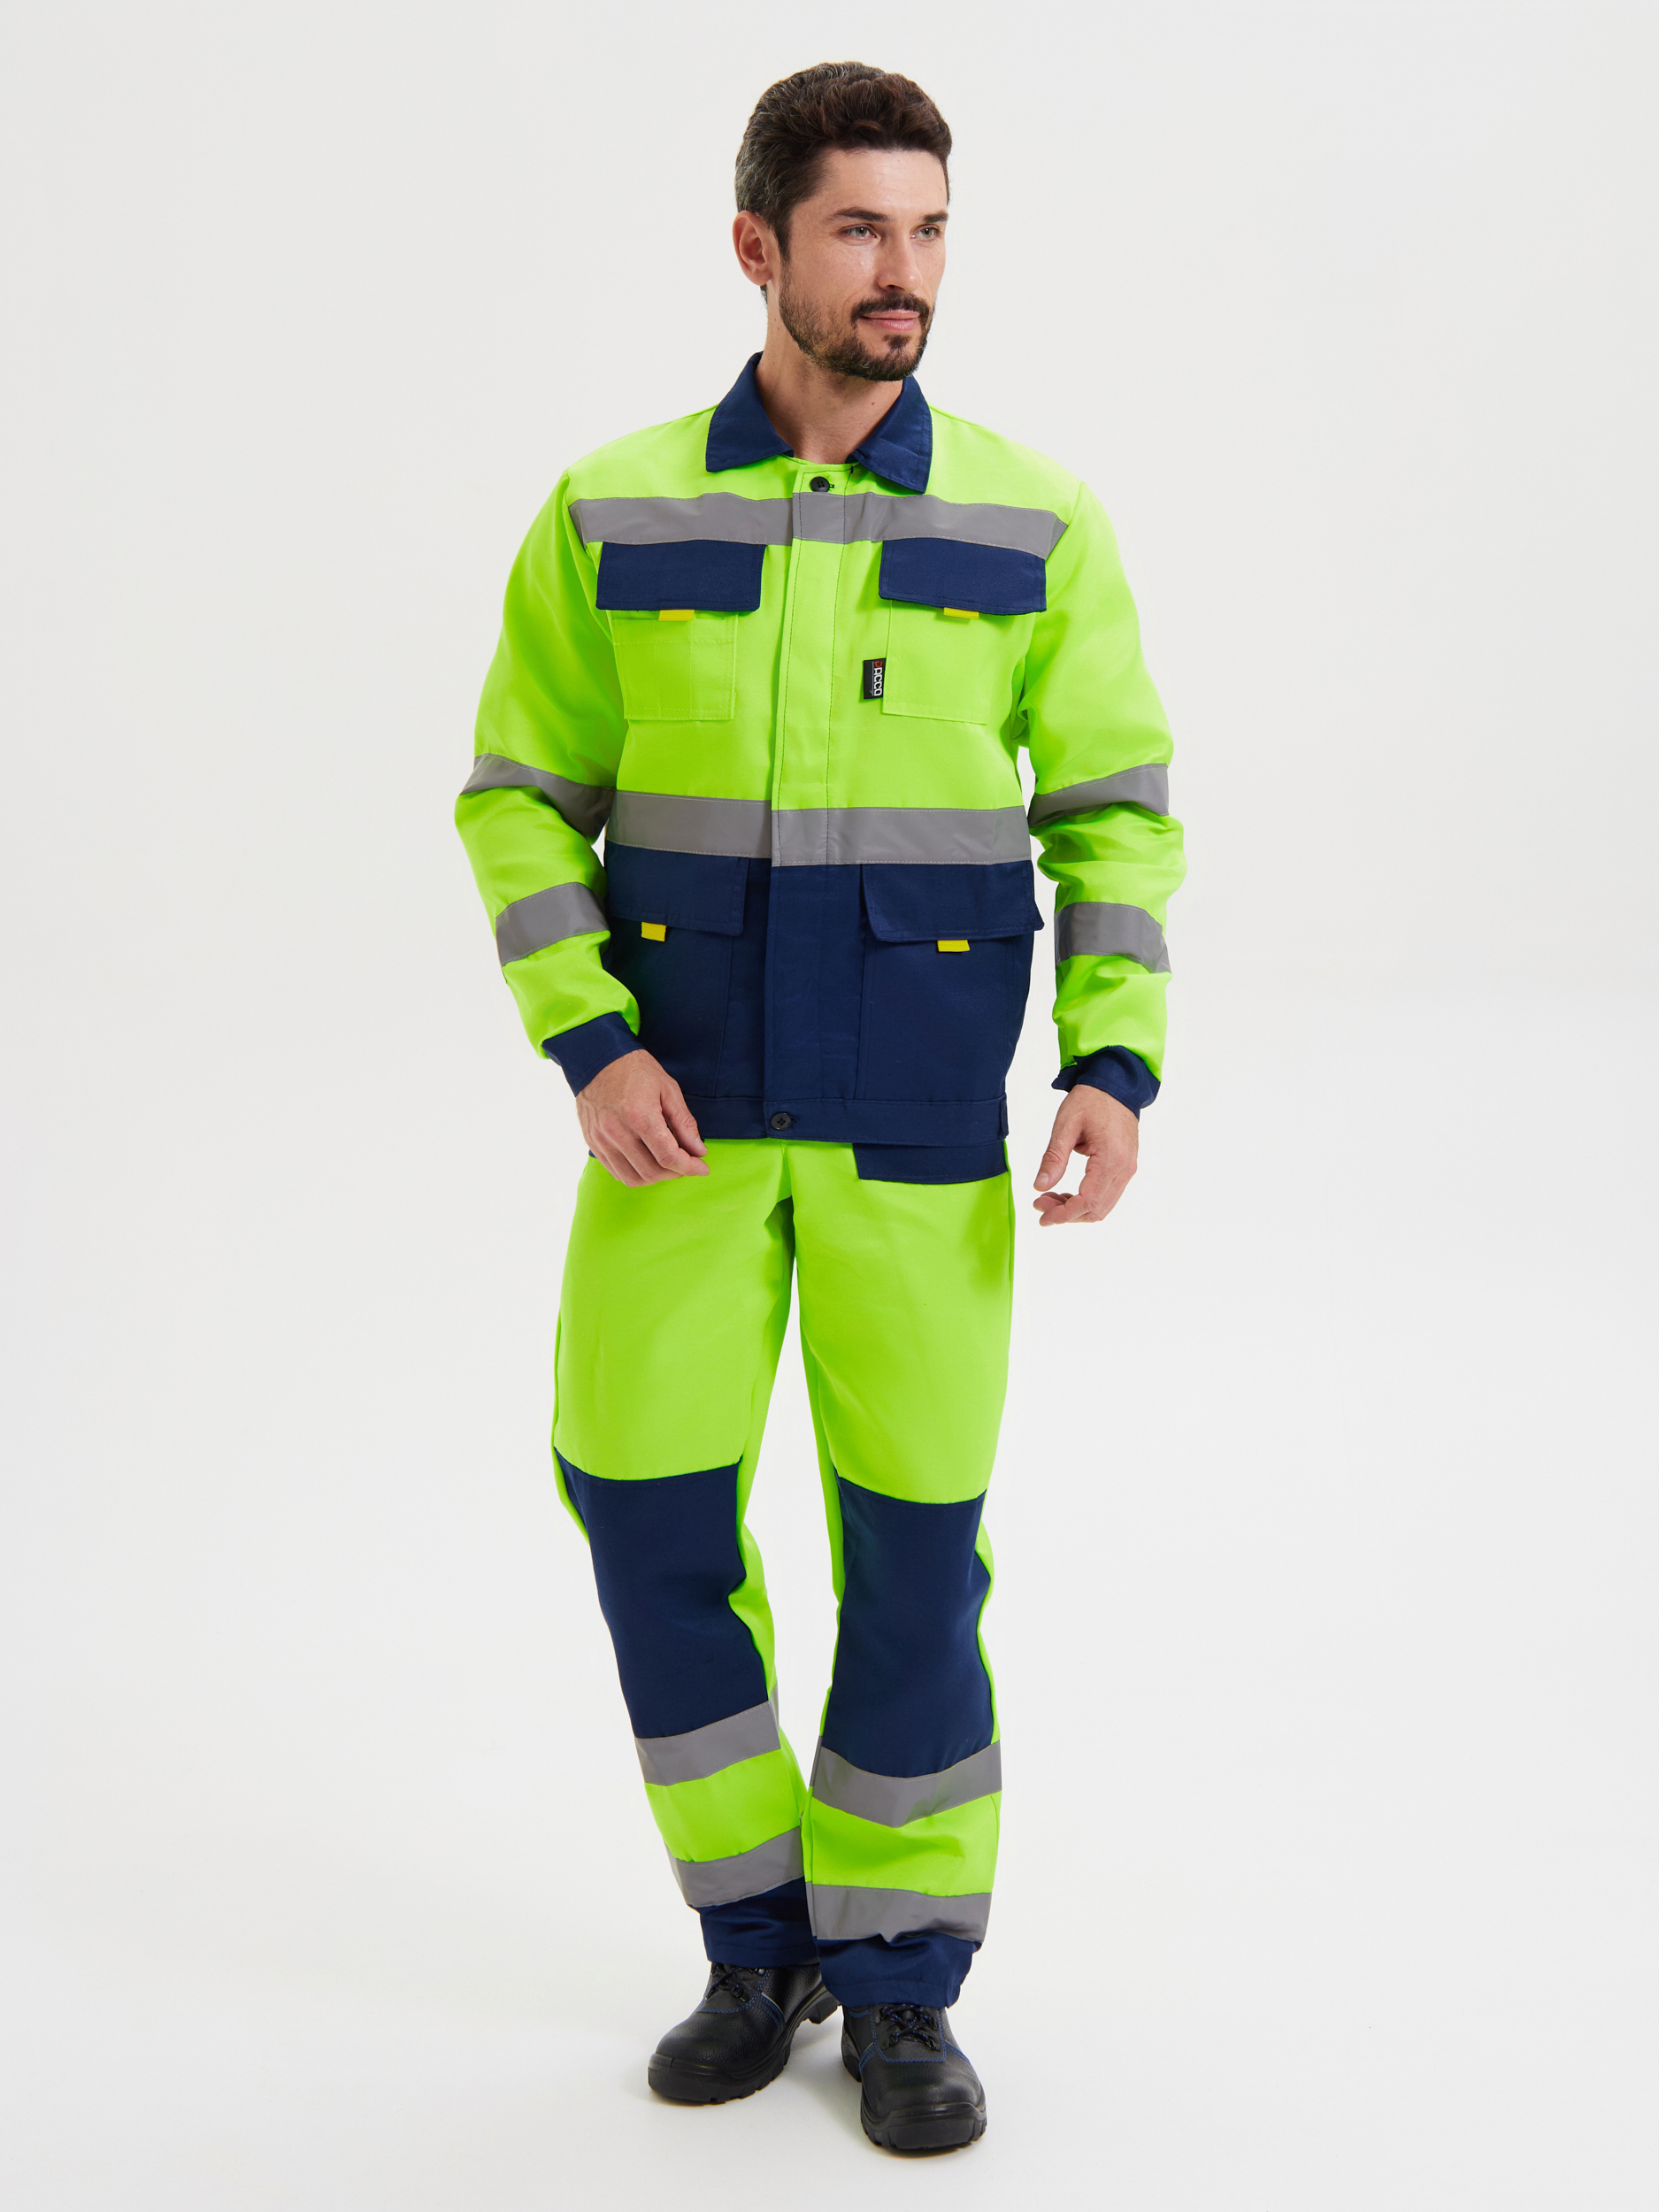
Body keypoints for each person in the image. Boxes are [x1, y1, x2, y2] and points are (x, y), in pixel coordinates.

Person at [456, 60, 1184, 2154]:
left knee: (914, 1558)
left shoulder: (1033, 519)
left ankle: (898, 1979)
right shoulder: (610, 511)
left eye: (929, 228)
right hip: (676, 1125)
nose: (903, 272)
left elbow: (1112, 811)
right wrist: (589, 1039)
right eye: (860, 228)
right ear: (757, 245)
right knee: (644, 1513)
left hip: (914, 1130)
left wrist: (1111, 1055)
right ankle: (752, 1935)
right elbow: (516, 797)